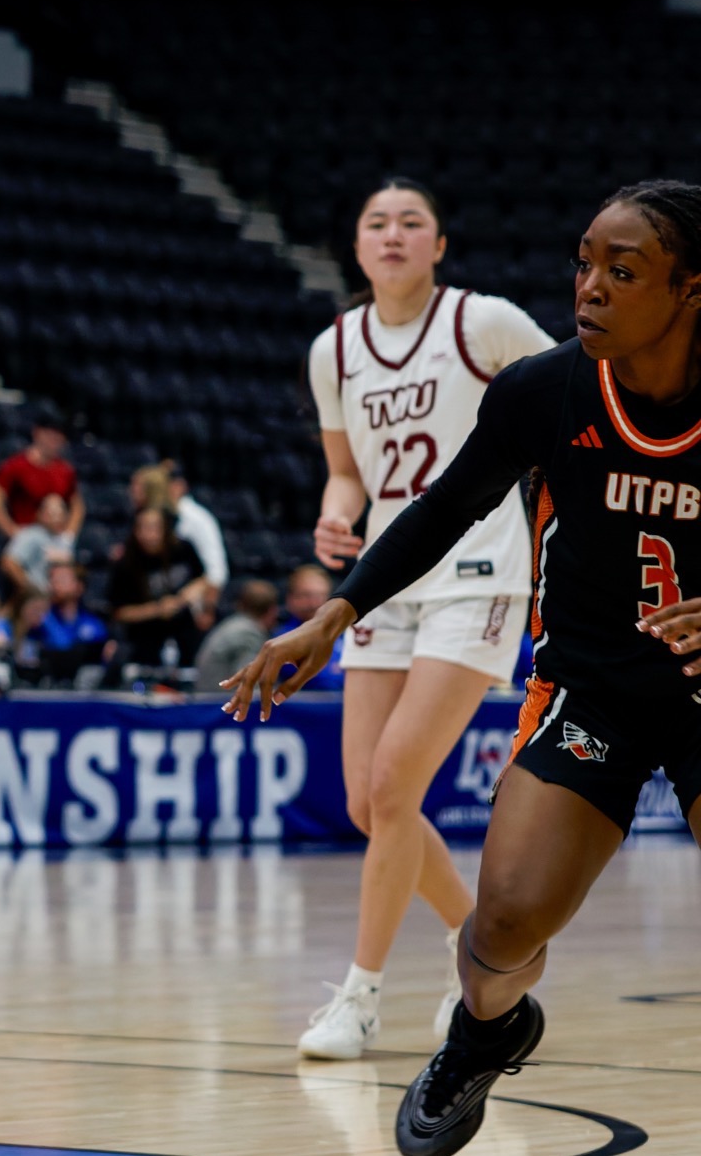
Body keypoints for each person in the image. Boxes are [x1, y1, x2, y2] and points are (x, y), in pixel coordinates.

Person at [225, 180, 701, 1156]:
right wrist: (338, 608)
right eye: (583, 263)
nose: (589, 287)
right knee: (495, 933)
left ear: (689, 290)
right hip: (593, 688)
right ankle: (486, 1029)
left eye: (623, 271)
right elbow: (442, 507)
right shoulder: (544, 388)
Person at [291, 177, 554, 1062]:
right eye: (376, 222)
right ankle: (477, 944)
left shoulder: (486, 324)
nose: (394, 234)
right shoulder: (333, 348)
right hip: (384, 577)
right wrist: (337, 511)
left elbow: (579, 402)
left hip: (479, 571)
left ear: (439, 245)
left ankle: (361, 997)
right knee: (370, 802)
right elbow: (346, 470)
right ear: (357, 247)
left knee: (397, 784)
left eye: (413, 222)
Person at [107, 506, 207, 671]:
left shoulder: (183, 549)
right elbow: (119, 612)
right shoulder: (125, 564)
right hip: (143, 636)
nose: (150, 534)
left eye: (155, 528)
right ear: (136, 531)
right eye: (144, 528)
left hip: (183, 628)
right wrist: (158, 609)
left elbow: (203, 579)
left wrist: (183, 598)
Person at [0, 415, 81, 541]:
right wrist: (12, 531)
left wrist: (68, 536)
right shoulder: (17, 465)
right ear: (37, 433)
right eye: (50, 435)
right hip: (26, 538)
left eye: (59, 437)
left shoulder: (65, 470)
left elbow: (77, 506)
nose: (55, 441)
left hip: (54, 542)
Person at [192, 579, 279, 693]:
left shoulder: (232, 625)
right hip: (219, 704)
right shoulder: (248, 634)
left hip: (210, 700)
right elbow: (251, 685)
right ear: (272, 611)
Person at [36, 561, 109, 687]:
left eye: (62, 580)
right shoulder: (40, 619)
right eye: (52, 580)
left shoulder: (93, 623)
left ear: (79, 587)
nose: (55, 584)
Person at [165, 462, 228, 599]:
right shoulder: (160, 516)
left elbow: (217, 572)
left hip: (191, 601)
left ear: (179, 486)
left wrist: (207, 611)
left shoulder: (197, 518)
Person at [278, 564, 344, 691]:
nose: (315, 603)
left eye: (321, 596)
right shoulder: (283, 639)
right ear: (291, 599)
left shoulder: (342, 634)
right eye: (307, 595)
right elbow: (324, 681)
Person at [0, 491, 75, 598]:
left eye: (60, 513)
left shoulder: (66, 539)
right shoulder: (31, 535)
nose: (56, 518)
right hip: (37, 597)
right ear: (39, 514)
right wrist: (31, 589)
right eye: (51, 513)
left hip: (60, 598)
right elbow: (8, 563)